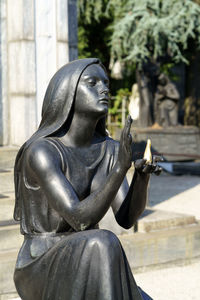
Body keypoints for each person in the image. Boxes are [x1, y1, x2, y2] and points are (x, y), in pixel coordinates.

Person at [13, 58, 161, 300]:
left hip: (92, 254)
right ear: (67, 92)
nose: (103, 89)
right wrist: (119, 170)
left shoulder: (110, 149)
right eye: (92, 83)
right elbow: (80, 220)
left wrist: (141, 179)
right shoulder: (42, 151)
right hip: (40, 260)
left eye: (105, 83)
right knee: (102, 241)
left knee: (101, 242)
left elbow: (126, 218)